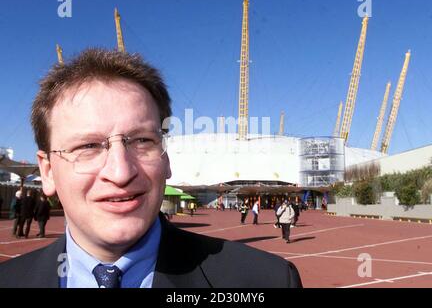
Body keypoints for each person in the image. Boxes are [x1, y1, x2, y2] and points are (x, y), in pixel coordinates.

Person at [0, 49, 302, 288]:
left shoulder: (267, 281)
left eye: (142, 140)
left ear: (166, 159)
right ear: (48, 171)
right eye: (88, 147)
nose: (120, 172)